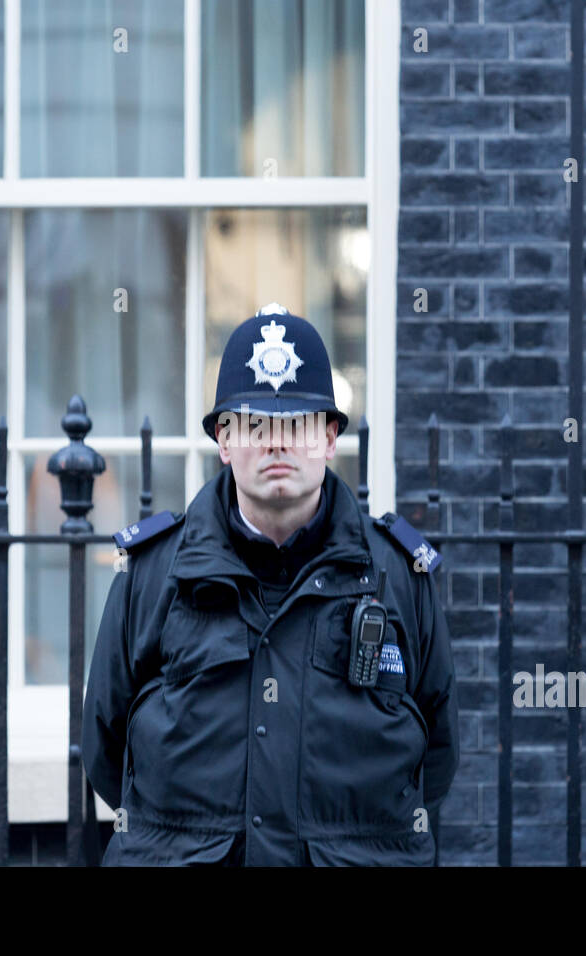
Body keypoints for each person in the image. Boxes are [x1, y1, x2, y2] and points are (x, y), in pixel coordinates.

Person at [81, 303, 459, 866]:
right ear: (224, 441)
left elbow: (438, 748)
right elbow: (106, 748)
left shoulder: (399, 575)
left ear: (330, 438)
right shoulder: (152, 573)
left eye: (300, 424)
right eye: (253, 423)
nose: (277, 442)